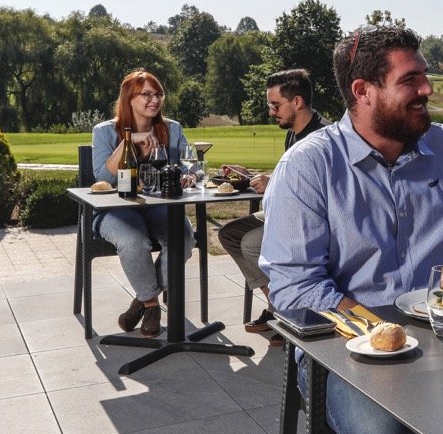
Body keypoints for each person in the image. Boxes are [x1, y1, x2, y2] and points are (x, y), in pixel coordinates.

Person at [260, 26, 443, 434]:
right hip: (344, 352)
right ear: (363, 91)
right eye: (410, 80)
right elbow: (296, 291)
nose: (427, 89)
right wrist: (387, 336)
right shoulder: (308, 166)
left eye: (425, 76)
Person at [216, 68, 331, 345]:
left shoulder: (323, 138)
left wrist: (274, 183)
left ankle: (291, 313)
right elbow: (289, 174)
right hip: (283, 213)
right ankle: (278, 307)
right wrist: (251, 175)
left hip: (308, 222)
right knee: (229, 234)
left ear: (297, 102)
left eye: (275, 105)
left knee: (251, 244)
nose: (270, 112)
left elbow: (325, 194)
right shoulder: (294, 132)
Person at [91, 69, 195, 338]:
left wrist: (189, 174)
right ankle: (151, 306)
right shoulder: (104, 132)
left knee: (183, 238)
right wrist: (129, 141)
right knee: (133, 241)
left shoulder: (172, 129)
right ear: (129, 98)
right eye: (146, 94)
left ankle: (142, 299)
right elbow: (103, 179)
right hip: (115, 209)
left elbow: (187, 165)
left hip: (160, 206)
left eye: (158, 94)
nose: (155, 100)